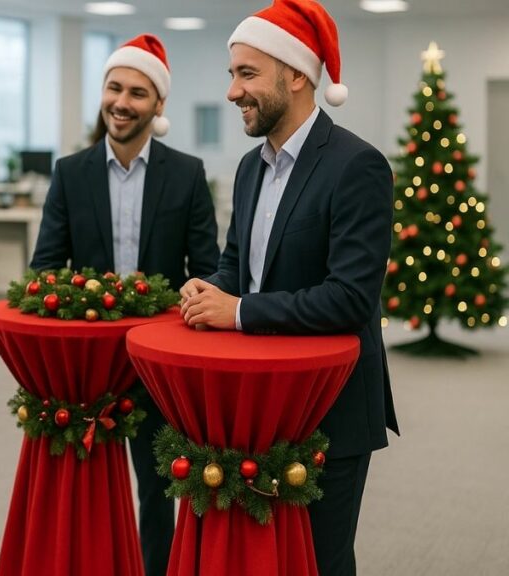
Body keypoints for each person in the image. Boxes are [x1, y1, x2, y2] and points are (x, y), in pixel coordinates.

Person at [179, 1, 399, 574]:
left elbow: (351, 299)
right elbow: (237, 267)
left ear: (296, 74)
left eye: (246, 74)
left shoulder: (358, 166)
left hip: (331, 407)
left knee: (319, 562)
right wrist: (208, 291)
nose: (232, 92)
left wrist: (240, 312)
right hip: (260, 404)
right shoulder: (251, 168)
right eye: (232, 74)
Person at [29, 33, 220, 576]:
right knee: (89, 482)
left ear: (158, 105)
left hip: (158, 360)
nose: (122, 101)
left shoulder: (185, 174)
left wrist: (194, 295)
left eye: (138, 92)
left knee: (158, 487)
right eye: (114, 87)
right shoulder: (71, 173)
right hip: (91, 362)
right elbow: (45, 268)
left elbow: (206, 268)